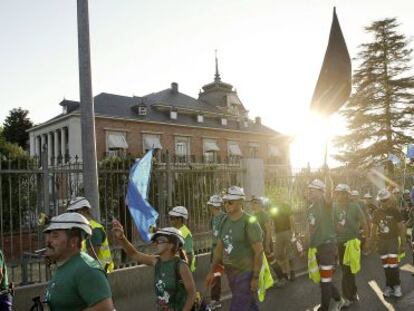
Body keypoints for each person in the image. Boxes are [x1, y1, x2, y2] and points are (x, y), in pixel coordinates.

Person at [112, 222, 196, 311]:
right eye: (155, 241)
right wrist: (122, 238)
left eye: (160, 241)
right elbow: (134, 254)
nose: (155, 244)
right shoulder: (156, 261)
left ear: (171, 245)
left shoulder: (181, 266)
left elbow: (191, 293)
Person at [206, 186, 263, 311]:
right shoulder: (224, 220)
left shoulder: (249, 222)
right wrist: (212, 271)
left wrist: (255, 277)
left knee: (238, 305)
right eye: (225, 201)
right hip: (231, 271)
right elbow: (219, 249)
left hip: (246, 272)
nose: (226, 204)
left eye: (230, 201)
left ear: (241, 202)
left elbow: (259, 252)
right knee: (248, 304)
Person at [43, 212, 114, 311]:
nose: (48, 241)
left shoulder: (87, 270)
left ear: (73, 242)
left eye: (55, 236)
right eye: (48, 235)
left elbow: (105, 308)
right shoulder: (65, 265)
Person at [307, 179, 345, 311]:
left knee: (325, 281)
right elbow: (312, 229)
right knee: (323, 279)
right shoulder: (310, 208)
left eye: (312, 189)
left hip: (327, 247)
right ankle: (339, 300)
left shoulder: (325, 204)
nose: (309, 191)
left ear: (320, 192)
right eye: (309, 189)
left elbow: (329, 193)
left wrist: (328, 175)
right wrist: (307, 245)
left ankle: (325, 308)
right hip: (316, 248)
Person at [333, 184, 369, 307]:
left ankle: (347, 297)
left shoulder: (354, 207)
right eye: (337, 192)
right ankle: (352, 294)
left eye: (341, 193)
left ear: (347, 195)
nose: (338, 195)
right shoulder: (334, 207)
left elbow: (364, 222)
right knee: (346, 270)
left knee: (347, 271)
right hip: (340, 243)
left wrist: (367, 240)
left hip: (352, 243)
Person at [371, 189, 406, 298]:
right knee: (386, 266)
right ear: (379, 201)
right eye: (382, 200)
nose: (384, 202)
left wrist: (403, 243)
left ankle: (397, 286)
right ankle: (389, 286)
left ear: (389, 200)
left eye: (386, 200)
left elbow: (402, 227)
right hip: (382, 243)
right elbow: (374, 228)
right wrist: (373, 243)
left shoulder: (395, 211)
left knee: (393, 266)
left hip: (392, 241)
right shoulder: (376, 212)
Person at [66, 197, 114, 273]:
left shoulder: (94, 230)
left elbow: (91, 259)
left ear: (84, 210)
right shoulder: (80, 229)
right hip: (90, 272)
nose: (71, 215)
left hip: (100, 274)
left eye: (74, 212)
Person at [267, 198, 296, 286]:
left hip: (287, 232)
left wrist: (293, 232)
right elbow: (271, 222)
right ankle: (284, 273)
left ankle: (292, 272)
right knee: (278, 254)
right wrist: (272, 234)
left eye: (278, 196)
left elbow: (291, 218)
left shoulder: (286, 206)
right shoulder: (273, 208)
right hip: (278, 233)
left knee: (290, 254)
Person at [207, 195, 226, 310]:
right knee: (216, 274)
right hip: (215, 250)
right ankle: (215, 299)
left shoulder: (224, 217)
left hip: (221, 250)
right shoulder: (213, 218)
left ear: (212, 206)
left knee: (217, 274)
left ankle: (216, 300)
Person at [168, 206, 196, 272]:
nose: (170, 220)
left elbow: (189, 255)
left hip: (183, 269)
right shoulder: (175, 231)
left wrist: (185, 272)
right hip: (176, 267)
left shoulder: (185, 234)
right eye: (170, 218)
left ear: (179, 219)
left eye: (172, 218)